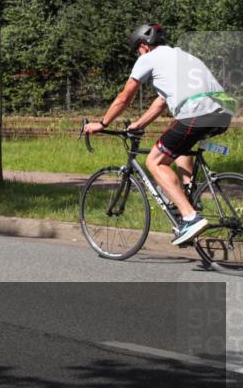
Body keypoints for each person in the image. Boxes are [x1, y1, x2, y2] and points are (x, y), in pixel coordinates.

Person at [84, 23, 235, 246]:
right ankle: (188, 196)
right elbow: (161, 102)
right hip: (222, 112)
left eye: (137, 50)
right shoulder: (182, 56)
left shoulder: (147, 59)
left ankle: (191, 217)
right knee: (181, 143)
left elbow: (124, 98)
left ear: (144, 46)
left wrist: (102, 122)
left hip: (197, 113)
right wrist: (139, 123)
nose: (138, 53)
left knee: (154, 161)